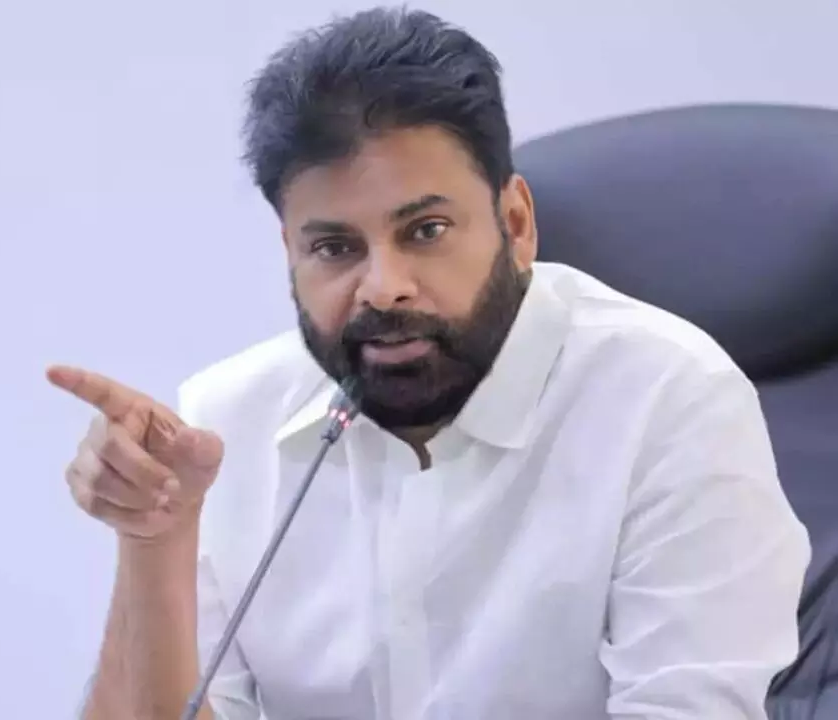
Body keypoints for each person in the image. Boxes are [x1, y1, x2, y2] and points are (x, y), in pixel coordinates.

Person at [47, 7, 810, 719]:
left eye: (426, 231)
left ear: (515, 223)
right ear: (290, 252)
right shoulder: (224, 423)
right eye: (335, 247)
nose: (383, 287)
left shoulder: (668, 401)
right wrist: (153, 540)